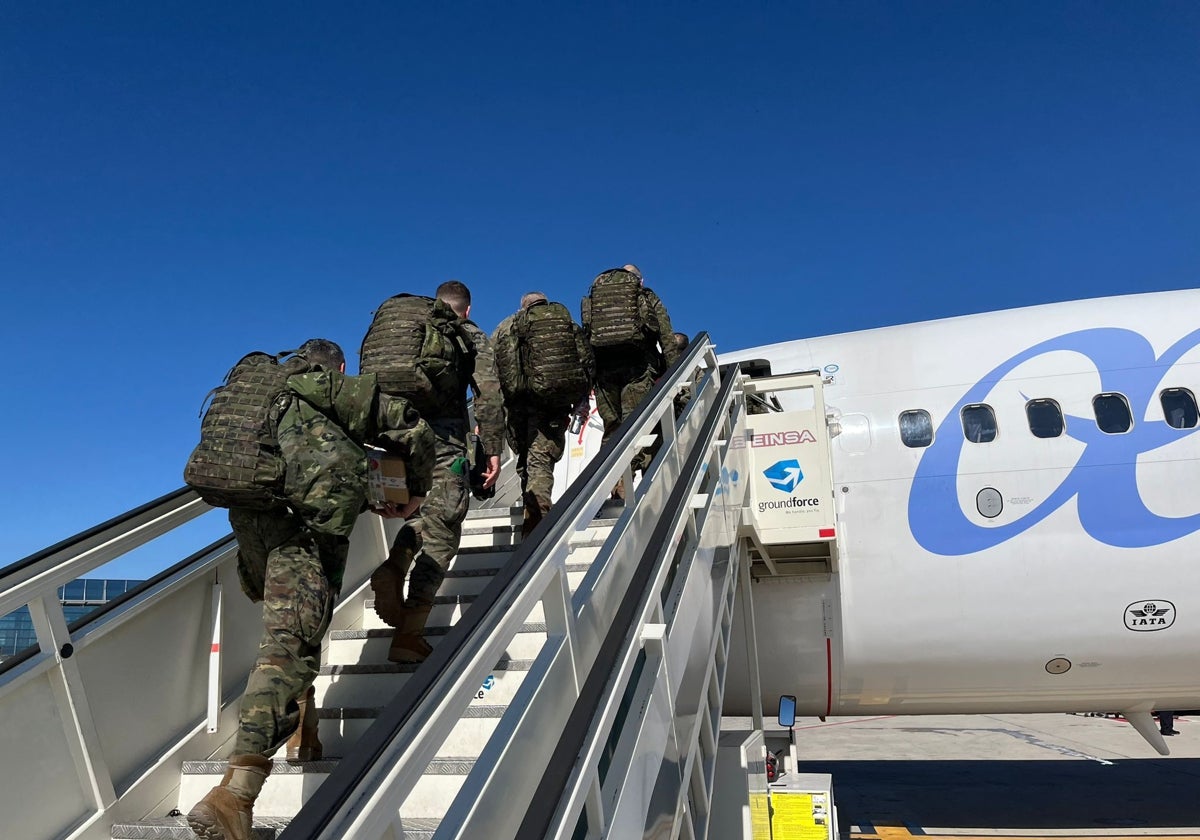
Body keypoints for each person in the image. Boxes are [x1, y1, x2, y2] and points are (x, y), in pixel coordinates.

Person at [186, 339, 435, 840]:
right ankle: (235, 795)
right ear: (338, 367)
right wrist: (417, 492)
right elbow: (410, 423)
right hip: (301, 528)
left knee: (296, 630)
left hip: (251, 518)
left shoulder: (268, 388)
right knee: (289, 648)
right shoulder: (330, 388)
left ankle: (306, 731)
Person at [364, 280, 506, 663]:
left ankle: (395, 566)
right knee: (444, 529)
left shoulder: (411, 330)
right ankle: (410, 633)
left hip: (395, 432)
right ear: (467, 309)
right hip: (444, 440)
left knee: (421, 511)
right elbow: (488, 394)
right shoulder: (467, 333)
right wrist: (492, 449)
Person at [492, 292, 594, 536]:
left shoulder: (506, 327)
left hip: (516, 406)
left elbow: (490, 368)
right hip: (551, 405)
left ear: (523, 306)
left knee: (526, 462)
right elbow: (586, 361)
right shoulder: (565, 324)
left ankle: (532, 516)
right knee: (540, 462)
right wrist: (581, 398)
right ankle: (536, 525)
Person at [583, 264, 681, 496]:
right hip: (638, 368)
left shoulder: (596, 299)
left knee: (612, 430)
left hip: (604, 372)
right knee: (635, 426)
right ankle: (621, 486)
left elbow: (587, 339)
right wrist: (674, 373)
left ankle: (604, 486)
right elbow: (666, 337)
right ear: (640, 280)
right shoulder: (646, 297)